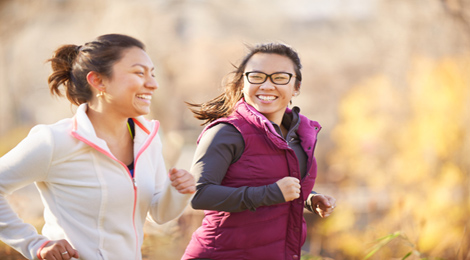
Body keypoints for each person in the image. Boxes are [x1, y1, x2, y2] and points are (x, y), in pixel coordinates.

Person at [0, 34, 195, 260]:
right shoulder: (55, 140)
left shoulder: (148, 139)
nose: (153, 83)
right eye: (139, 73)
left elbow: (159, 214)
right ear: (99, 81)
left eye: (152, 74)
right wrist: (34, 244)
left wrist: (179, 191)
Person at [181, 43, 336, 260]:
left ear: (296, 87)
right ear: (243, 82)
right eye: (257, 76)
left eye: (280, 77)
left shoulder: (299, 134)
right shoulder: (226, 132)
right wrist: (271, 193)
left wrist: (309, 199)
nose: (267, 85)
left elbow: (277, 183)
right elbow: (199, 194)